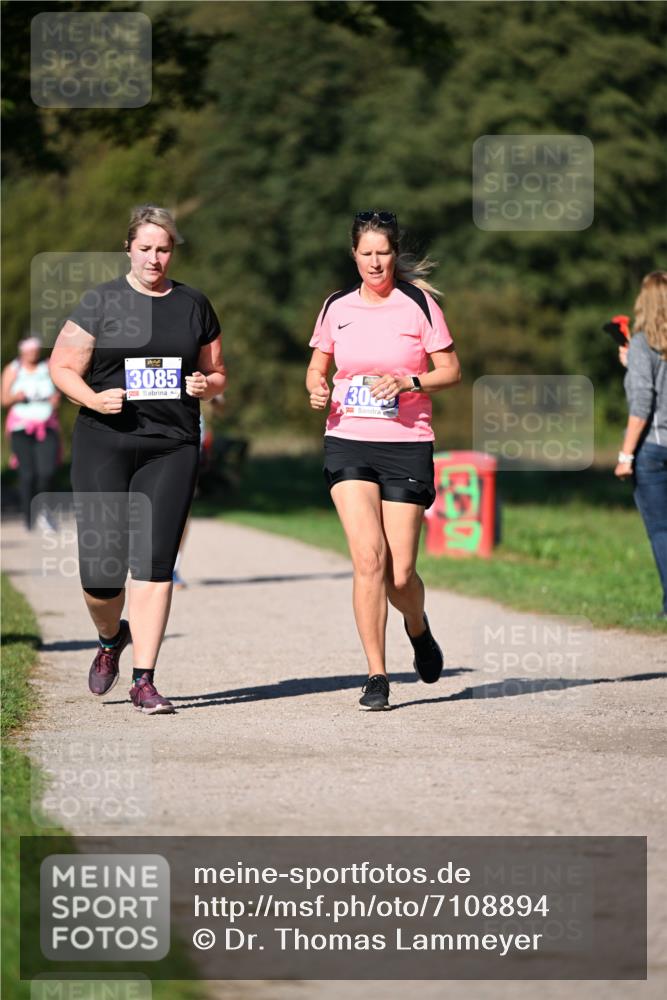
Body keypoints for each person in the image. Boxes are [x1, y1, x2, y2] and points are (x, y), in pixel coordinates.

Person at [49, 204, 226, 714]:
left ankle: (144, 680)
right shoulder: (102, 301)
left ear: (173, 251)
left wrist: (205, 384)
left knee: (154, 565)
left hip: (171, 445)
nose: (154, 258)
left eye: (164, 249)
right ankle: (110, 639)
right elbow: (64, 367)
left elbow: (218, 374)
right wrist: (92, 397)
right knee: (101, 572)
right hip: (105, 439)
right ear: (128, 247)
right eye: (145, 248)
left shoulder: (194, 304)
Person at [306, 211, 461, 711]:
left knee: (399, 575)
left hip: (406, 442)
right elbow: (317, 364)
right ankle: (377, 674)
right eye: (366, 253)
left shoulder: (418, 304)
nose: (375, 262)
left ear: (395, 254)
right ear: (353, 254)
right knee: (368, 558)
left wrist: (409, 382)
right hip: (348, 437)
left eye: (384, 252)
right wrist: (315, 385)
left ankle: (417, 628)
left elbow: (451, 370)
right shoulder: (336, 306)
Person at [614, 270, 667, 619]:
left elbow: (641, 405)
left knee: (662, 530)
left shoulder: (643, 345)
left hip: (654, 449)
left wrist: (624, 455)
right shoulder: (641, 351)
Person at [2, 336, 60, 530]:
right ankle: (29, 516)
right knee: (27, 474)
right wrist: (15, 397)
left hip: (46, 425)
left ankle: (45, 511)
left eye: (35, 350)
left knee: (47, 472)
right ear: (22, 352)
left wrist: (56, 398)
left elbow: (62, 388)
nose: (33, 354)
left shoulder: (48, 367)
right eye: (29, 351)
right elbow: (4, 399)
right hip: (21, 427)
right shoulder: (13, 369)